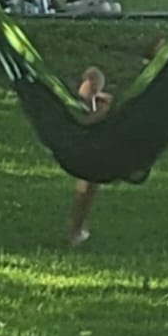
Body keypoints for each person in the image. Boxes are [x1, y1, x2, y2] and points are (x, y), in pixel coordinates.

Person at [65, 66, 112, 247]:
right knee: (90, 174)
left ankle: (76, 228)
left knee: (91, 175)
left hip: (102, 142)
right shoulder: (76, 107)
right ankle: (76, 228)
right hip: (84, 141)